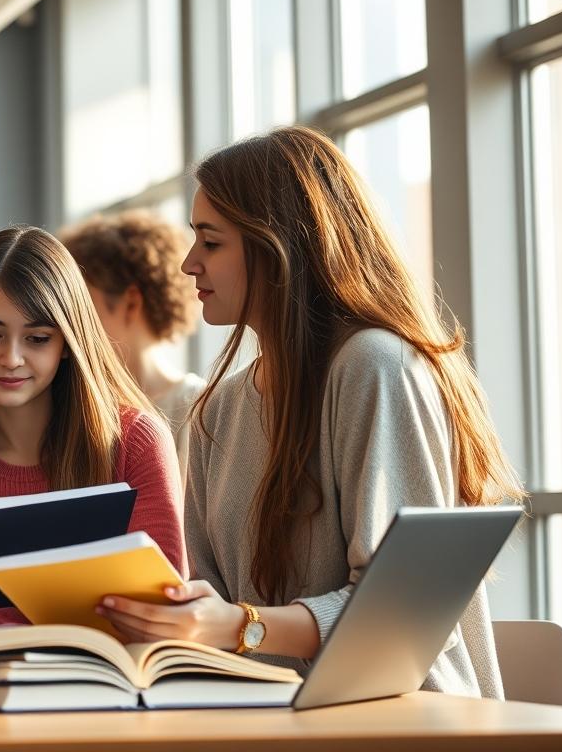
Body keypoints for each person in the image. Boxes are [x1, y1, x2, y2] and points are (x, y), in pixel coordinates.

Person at [94, 126, 524, 698]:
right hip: (268, 718)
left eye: (211, 243)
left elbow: (402, 613)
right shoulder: (218, 409)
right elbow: (208, 601)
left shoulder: (374, 367)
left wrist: (240, 625)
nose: (188, 265)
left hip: (404, 719)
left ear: (278, 247)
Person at [0, 225, 185, 663]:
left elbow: (169, 625)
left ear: (67, 343)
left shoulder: (136, 443)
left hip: (111, 693)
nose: (11, 358)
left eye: (37, 338)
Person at [60, 209, 205, 481]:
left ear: (131, 303)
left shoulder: (197, 406)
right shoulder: (74, 404)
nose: (71, 324)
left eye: (84, 307)